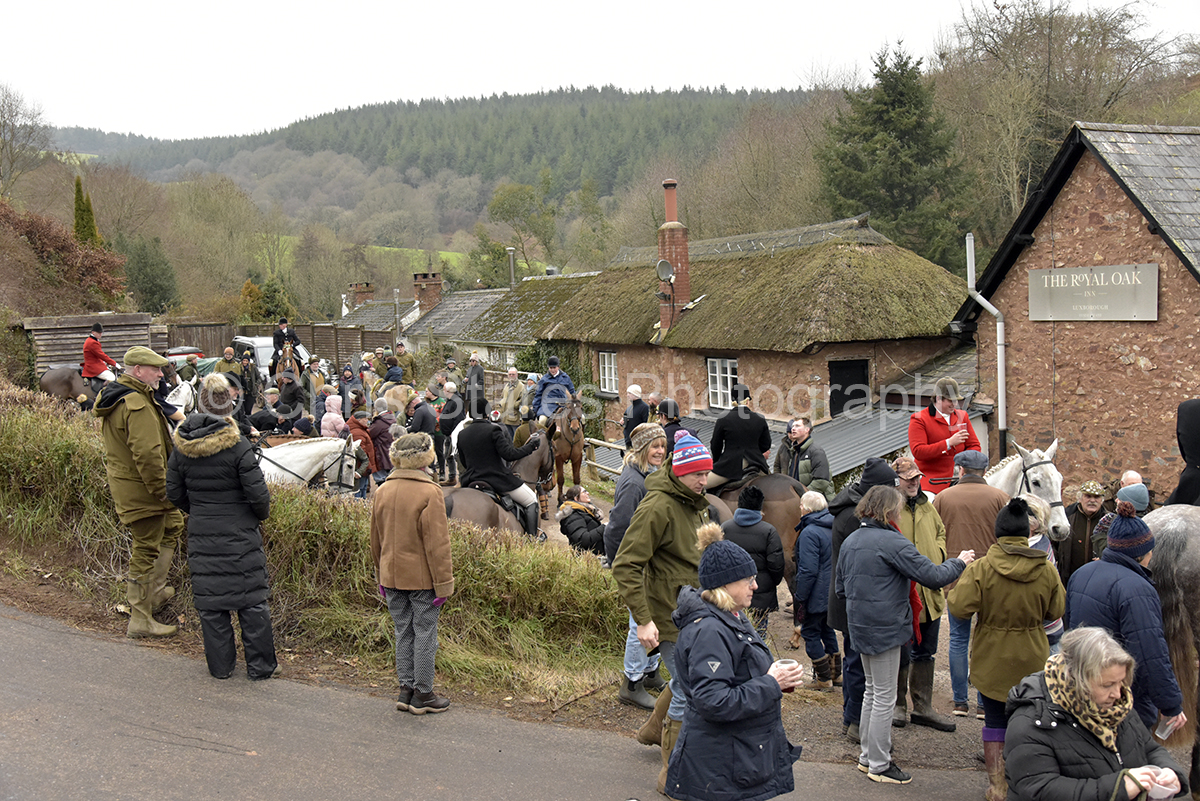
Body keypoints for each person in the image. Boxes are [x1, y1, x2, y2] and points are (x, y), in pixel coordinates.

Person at [837, 485, 974, 785]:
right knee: (884, 696)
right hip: (886, 628)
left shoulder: (852, 540)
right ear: (889, 511)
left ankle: (867, 757)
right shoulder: (892, 541)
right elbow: (934, 576)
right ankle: (880, 764)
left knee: (872, 692)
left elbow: (840, 588)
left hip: (859, 626)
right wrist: (961, 561)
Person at [664, 525, 804, 801]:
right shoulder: (710, 632)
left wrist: (772, 680)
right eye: (748, 580)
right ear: (725, 585)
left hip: (736, 759)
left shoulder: (733, 616)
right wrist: (771, 683)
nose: (756, 585)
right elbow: (713, 701)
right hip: (719, 771)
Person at [612, 430, 713, 795]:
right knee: (689, 687)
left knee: (686, 680)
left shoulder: (694, 503)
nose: (705, 480)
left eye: (707, 473)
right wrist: (643, 620)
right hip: (667, 614)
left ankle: (654, 728)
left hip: (696, 610)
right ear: (679, 471)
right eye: (698, 474)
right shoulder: (658, 506)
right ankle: (673, 775)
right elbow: (625, 564)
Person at [948, 498, 1066, 801]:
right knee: (1030, 721)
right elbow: (1057, 610)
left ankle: (998, 786)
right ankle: (1027, 781)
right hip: (1033, 655)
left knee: (995, 722)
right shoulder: (1046, 569)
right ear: (1027, 534)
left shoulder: (983, 569)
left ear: (997, 533)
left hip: (992, 657)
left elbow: (959, 607)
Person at [165, 373, 278, 680]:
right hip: (240, 532)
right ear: (228, 405)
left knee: (211, 606)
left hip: (202, 531)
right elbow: (259, 496)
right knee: (252, 603)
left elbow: (174, 492)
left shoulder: (182, 447)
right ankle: (260, 667)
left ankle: (221, 667)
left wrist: (199, 511)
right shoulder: (238, 447)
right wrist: (253, 517)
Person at [1005, 627, 1189, 801]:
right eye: (1107, 685)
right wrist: (1118, 787)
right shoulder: (1031, 722)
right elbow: (1039, 789)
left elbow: (1149, 748)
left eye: (1120, 682)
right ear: (1076, 680)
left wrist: (1169, 771)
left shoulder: (1116, 706)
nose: (1118, 694)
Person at [1064, 501, 1188, 734]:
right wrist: (1170, 704)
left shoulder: (1081, 574)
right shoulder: (1137, 588)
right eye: (1150, 551)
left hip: (1082, 687)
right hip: (1121, 700)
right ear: (1141, 554)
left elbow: (1070, 631)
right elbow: (1150, 651)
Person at [93, 346, 185, 639]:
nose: (161, 374)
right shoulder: (137, 404)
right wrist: (164, 492)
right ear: (137, 371)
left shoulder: (121, 395)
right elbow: (148, 454)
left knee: (173, 525)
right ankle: (140, 618)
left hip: (133, 486)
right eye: (155, 369)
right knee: (145, 549)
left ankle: (154, 593)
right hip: (144, 491)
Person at [371, 432, 455, 715]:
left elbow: (376, 539)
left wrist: (380, 575)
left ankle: (405, 690)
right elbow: (438, 544)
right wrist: (443, 585)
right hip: (422, 579)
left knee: (402, 631)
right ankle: (423, 693)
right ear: (425, 459)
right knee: (425, 633)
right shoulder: (429, 492)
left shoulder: (382, 490)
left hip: (391, 576)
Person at [827, 457, 901, 742]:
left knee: (855, 661)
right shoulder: (853, 517)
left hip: (851, 597)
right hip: (855, 600)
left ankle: (853, 719)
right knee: (857, 663)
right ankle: (855, 721)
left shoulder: (852, 511)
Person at [933, 449, 1010, 717]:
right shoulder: (1001, 498)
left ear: (961, 470)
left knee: (957, 639)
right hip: (993, 577)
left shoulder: (943, 497)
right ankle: (983, 704)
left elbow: (935, 537)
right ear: (983, 471)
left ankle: (959, 702)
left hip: (956, 578)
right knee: (986, 640)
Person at [603, 422, 670, 711]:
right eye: (654, 446)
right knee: (639, 623)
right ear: (641, 449)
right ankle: (631, 683)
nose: (660, 451)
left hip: (654, 564)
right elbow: (616, 529)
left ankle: (651, 672)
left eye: (663, 446)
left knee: (656, 619)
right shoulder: (633, 483)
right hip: (638, 565)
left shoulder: (650, 474)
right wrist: (625, 566)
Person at [891, 455, 956, 731]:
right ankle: (898, 705)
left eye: (917, 477)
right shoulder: (891, 509)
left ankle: (923, 706)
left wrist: (938, 557)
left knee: (926, 653)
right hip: (903, 595)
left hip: (930, 593)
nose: (915, 482)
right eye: (909, 479)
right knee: (901, 652)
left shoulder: (928, 506)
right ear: (897, 482)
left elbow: (941, 533)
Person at [456, 398, 542, 538]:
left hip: (471, 479)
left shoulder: (462, 434)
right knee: (532, 500)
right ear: (487, 412)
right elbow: (509, 455)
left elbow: (464, 462)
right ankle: (532, 540)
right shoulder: (493, 429)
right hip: (496, 479)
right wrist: (531, 446)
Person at [719, 485, 784, 639]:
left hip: (731, 592)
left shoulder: (725, 528)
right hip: (760, 590)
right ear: (759, 506)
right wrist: (770, 583)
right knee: (759, 636)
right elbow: (777, 564)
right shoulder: (769, 531)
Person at [793, 490, 837, 689]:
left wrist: (800, 596)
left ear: (808, 509)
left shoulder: (809, 532)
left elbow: (808, 570)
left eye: (801, 506)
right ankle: (837, 674)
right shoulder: (833, 526)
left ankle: (823, 678)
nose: (800, 509)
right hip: (832, 592)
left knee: (810, 633)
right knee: (827, 630)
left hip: (815, 594)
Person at [908, 377, 982, 495]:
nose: (955, 404)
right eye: (950, 401)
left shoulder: (963, 416)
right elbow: (918, 451)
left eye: (956, 400)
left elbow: (974, 446)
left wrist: (965, 464)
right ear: (938, 398)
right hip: (932, 480)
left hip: (961, 478)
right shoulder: (919, 419)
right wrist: (948, 443)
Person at [706, 384, 772, 490]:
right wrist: (754, 451)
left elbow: (715, 445)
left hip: (730, 465)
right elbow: (766, 445)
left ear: (732, 400)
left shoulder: (724, 419)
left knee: (702, 485)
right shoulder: (760, 419)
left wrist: (718, 461)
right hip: (756, 462)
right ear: (748, 400)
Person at [774, 417, 835, 500]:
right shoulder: (794, 451)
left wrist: (804, 495)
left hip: (816, 503)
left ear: (807, 430)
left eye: (797, 426)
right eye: (793, 426)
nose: (793, 429)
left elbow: (822, 480)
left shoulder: (816, 451)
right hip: (799, 502)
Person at [1058, 480, 1106, 584]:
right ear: (1079, 498)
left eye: (1096, 497)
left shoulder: (1108, 521)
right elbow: (1054, 543)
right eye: (1088, 496)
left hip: (1099, 579)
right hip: (1069, 578)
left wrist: (1105, 559)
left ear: (1102, 500)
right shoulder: (1066, 517)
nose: (1092, 500)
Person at [1091, 482, 1150, 558]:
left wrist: (1100, 532)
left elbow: (1104, 552)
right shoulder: (1147, 524)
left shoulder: (1110, 521)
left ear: (1129, 504)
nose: (1116, 500)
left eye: (1120, 499)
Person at [556, 485, 605, 555]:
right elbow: (582, 539)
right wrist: (603, 528)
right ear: (576, 498)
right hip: (587, 558)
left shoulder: (585, 510)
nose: (587, 493)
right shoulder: (573, 515)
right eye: (584, 492)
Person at [532, 356, 576, 425]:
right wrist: (535, 409)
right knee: (542, 421)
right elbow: (538, 395)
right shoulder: (544, 379)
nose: (552, 370)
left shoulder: (566, 378)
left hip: (564, 405)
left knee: (581, 419)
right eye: (550, 368)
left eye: (554, 368)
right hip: (548, 406)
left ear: (558, 367)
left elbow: (572, 391)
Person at [438, 382, 465, 486]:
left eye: (444, 390)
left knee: (456, 456)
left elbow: (458, 418)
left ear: (448, 391)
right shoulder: (450, 400)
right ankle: (452, 477)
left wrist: (454, 432)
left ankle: (460, 479)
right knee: (448, 456)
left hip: (453, 434)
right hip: (448, 433)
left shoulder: (457, 401)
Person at [347, 411, 377, 499]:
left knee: (362, 488)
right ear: (359, 420)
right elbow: (361, 454)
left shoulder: (360, 429)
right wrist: (364, 469)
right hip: (360, 469)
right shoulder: (357, 433)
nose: (367, 421)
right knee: (359, 491)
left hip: (362, 468)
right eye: (365, 419)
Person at [82, 322, 119, 387]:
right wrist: (114, 363)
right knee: (112, 378)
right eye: (99, 333)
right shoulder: (92, 342)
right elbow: (102, 355)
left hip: (96, 363)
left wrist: (104, 363)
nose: (100, 334)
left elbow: (96, 355)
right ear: (93, 332)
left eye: (101, 332)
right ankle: (103, 392)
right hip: (94, 367)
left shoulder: (90, 340)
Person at [369, 398, 395, 486]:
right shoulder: (393, 418)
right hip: (391, 451)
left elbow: (370, 434)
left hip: (381, 452)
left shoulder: (379, 422)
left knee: (382, 481)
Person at [622, 384, 650, 449]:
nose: (627, 395)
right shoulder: (629, 408)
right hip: (628, 441)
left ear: (635, 394)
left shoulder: (644, 408)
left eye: (629, 393)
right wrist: (622, 422)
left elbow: (646, 424)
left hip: (638, 442)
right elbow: (625, 423)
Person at [498, 367, 523, 439]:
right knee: (507, 438)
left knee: (515, 439)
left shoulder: (521, 386)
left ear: (517, 375)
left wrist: (514, 405)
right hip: (505, 417)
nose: (511, 376)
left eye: (513, 374)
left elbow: (523, 400)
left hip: (514, 417)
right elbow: (502, 396)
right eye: (510, 374)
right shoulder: (507, 386)